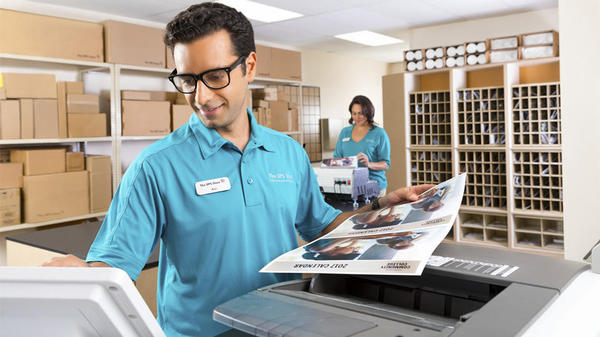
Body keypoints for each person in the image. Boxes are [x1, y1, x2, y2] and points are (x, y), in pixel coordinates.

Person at [42, 3, 432, 336]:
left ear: (250, 65)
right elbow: (114, 266)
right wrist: (84, 275)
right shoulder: (155, 166)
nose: (201, 96)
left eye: (214, 76)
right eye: (187, 80)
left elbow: (320, 225)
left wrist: (378, 208)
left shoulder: (288, 152)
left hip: (283, 325)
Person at [333, 95, 391, 195]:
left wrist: (369, 164)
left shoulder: (379, 133)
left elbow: (385, 164)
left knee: (372, 211)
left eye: (360, 113)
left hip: (374, 187)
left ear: (368, 112)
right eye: (354, 113)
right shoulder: (344, 132)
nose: (357, 117)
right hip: (349, 187)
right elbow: (337, 158)